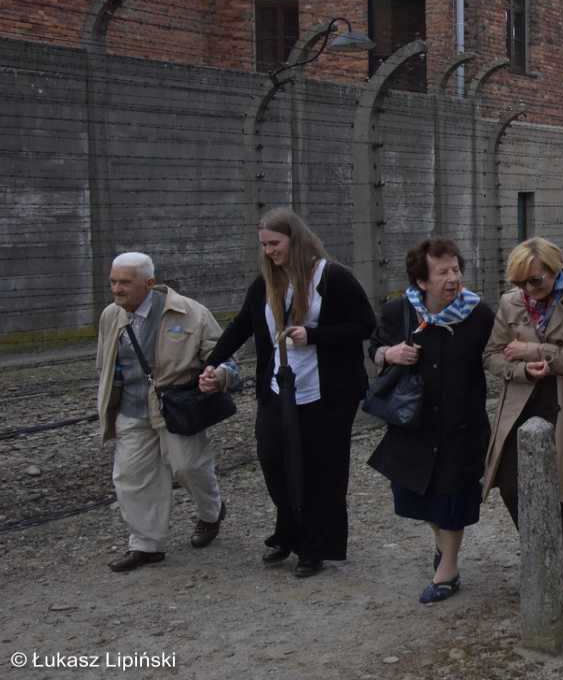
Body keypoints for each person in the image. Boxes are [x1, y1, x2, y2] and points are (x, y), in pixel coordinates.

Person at [202, 208, 376, 578]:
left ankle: (315, 548)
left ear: (295, 240)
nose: (269, 252)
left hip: (326, 393)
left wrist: (313, 335)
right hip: (279, 388)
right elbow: (241, 327)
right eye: (264, 245)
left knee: (320, 470)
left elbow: (365, 325)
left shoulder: (332, 277)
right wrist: (211, 363)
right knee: (273, 459)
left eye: (274, 244)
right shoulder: (265, 281)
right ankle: (288, 532)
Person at [366, 239, 495, 604]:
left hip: (462, 426)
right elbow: (373, 348)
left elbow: (496, 353)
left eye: (456, 270)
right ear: (422, 281)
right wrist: (390, 353)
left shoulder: (479, 315)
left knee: (453, 499)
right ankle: (443, 547)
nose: (453, 278)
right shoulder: (398, 312)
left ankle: (448, 570)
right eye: (443, 272)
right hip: (415, 427)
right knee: (420, 497)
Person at [97, 252, 238, 572]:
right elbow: (105, 363)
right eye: (113, 282)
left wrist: (218, 376)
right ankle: (146, 544)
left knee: (188, 467)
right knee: (131, 477)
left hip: (177, 409)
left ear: (148, 283)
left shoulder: (191, 314)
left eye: (124, 283)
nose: (116, 289)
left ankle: (211, 512)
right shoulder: (111, 315)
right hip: (131, 410)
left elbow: (226, 359)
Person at [483, 237, 563, 597]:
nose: (527, 290)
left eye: (535, 281)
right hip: (520, 401)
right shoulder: (510, 303)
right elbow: (492, 356)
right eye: (520, 283)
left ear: (556, 271)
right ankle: (541, 549)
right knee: (508, 484)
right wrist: (522, 370)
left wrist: (535, 351)